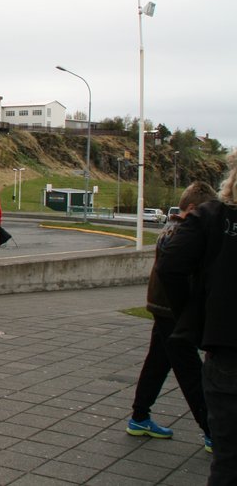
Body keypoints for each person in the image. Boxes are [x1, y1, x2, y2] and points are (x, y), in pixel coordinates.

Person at [159, 155, 237, 483]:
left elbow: (170, 264)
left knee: (228, 461)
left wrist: (193, 317)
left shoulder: (212, 217)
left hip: (226, 350)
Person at [126, 181, 217, 447]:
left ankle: (139, 417)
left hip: (162, 307)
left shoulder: (171, 227)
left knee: (157, 363)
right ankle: (212, 431)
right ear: (193, 208)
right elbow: (175, 272)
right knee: (190, 371)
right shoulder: (184, 233)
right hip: (172, 311)